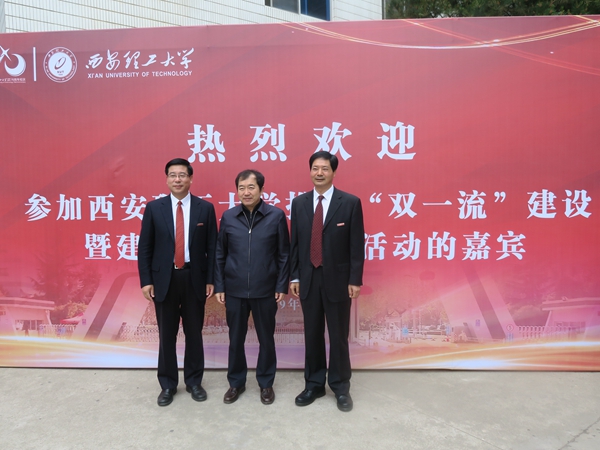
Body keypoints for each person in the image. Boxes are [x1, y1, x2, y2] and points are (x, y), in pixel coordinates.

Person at [138, 158, 217, 407]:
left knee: (194, 333)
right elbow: (145, 247)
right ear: (167, 179)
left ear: (191, 178)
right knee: (167, 334)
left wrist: (211, 279)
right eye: (172, 175)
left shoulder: (205, 208)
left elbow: (213, 247)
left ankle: (194, 382)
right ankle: (168, 384)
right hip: (165, 279)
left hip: (194, 278)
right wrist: (146, 280)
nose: (177, 179)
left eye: (182, 175)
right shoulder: (154, 208)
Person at [290, 151, 365, 412]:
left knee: (338, 336)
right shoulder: (299, 203)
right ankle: (314, 384)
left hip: (339, 281)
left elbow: (356, 245)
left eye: (324, 169)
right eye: (315, 168)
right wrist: (295, 275)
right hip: (308, 278)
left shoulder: (350, 202)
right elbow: (295, 243)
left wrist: (355, 279)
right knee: (312, 334)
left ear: (333, 172)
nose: (319, 173)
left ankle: (341, 387)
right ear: (310, 171)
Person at [214, 169, 290, 405]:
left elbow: (284, 254)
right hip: (234, 290)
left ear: (261, 189)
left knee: (266, 339)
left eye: (251, 187)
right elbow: (220, 254)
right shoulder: (228, 217)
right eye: (241, 188)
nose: (246, 192)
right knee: (235, 339)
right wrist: (220, 286)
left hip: (265, 290)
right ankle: (236, 383)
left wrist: (281, 285)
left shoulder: (276, 216)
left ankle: (266, 383)